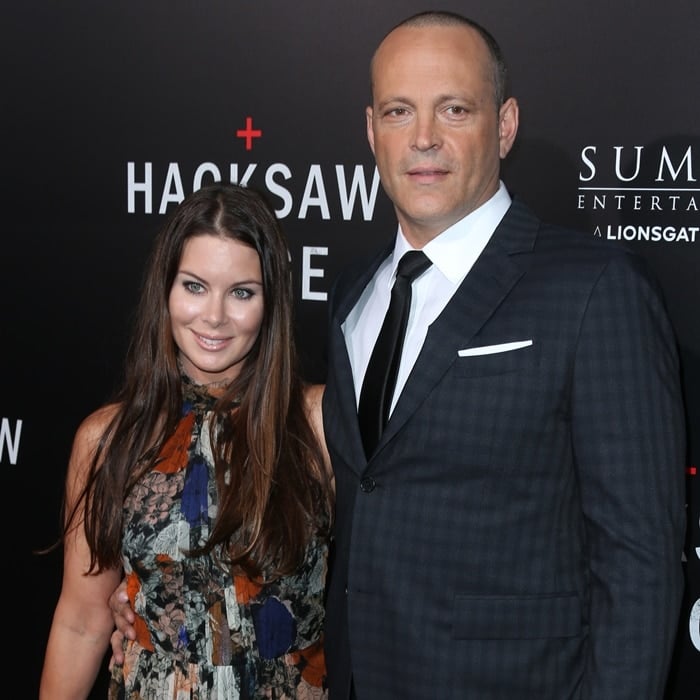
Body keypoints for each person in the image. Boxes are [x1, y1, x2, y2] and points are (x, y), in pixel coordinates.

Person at [110, 10, 688, 699]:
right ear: (370, 131)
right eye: (398, 111)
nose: (423, 139)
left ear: (504, 125)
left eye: (454, 109)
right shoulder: (357, 294)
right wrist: (159, 596)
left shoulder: (593, 288)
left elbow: (640, 564)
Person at [40, 182, 334, 699]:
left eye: (242, 292)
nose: (214, 316)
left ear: (271, 303)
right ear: (166, 289)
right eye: (195, 286)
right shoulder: (108, 439)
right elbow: (81, 623)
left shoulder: (317, 424)